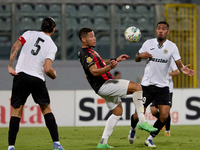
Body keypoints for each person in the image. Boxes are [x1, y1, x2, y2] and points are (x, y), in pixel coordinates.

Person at [78, 27, 157, 149]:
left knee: (117, 112)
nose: (94, 39)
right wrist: (110, 67)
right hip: (104, 84)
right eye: (91, 36)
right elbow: (93, 71)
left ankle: (103, 142)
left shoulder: (89, 52)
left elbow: (99, 61)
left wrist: (115, 59)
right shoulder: (85, 54)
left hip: (101, 86)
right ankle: (141, 121)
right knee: (137, 87)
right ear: (83, 39)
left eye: (94, 36)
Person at [128, 21, 195, 148]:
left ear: (167, 32)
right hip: (147, 85)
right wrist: (140, 55)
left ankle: (149, 139)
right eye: (158, 28)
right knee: (137, 115)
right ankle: (132, 128)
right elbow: (136, 57)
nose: (160, 30)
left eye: (163, 29)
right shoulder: (148, 43)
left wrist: (182, 69)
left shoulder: (172, 46)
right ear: (156, 31)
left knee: (164, 115)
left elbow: (178, 63)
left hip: (163, 86)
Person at [7, 17, 64, 150]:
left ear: (41, 26)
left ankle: (11, 146)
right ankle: (56, 144)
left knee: (16, 112)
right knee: (46, 109)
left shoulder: (28, 33)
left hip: (20, 76)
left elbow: (15, 46)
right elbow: (47, 69)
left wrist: (10, 66)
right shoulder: (52, 46)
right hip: (36, 79)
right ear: (54, 29)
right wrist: (54, 76)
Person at [150, 59, 180, 137]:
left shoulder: (170, 60)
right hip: (156, 87)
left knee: (166, 111)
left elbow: (177, 72)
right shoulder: (156, 59)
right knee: (153, 110)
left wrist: (168, 74)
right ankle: (162, 121)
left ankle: (167, 131)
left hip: (167, 88)